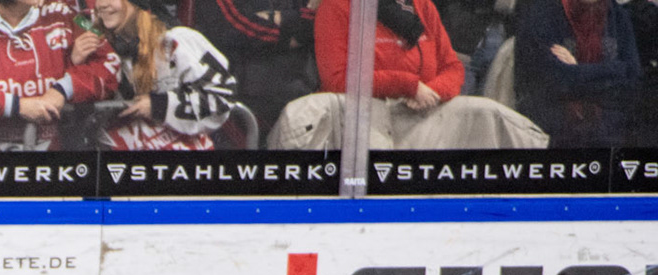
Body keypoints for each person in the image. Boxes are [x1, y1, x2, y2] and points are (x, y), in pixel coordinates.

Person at [269, 0, 547, 146]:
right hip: (362, 123)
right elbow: (338, 79)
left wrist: (434, 91)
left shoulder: (422, 6)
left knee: (495, 117)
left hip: (421, 114)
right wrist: (407, 85)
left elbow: (452, 68)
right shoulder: (338, 5)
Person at [0, 0, 120, 148]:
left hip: (53, 165)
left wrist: (63, 89)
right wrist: (18, 106)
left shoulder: (62, 13)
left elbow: (110, 63)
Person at [79, 0, 237, 150]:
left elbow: (222, 95)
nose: (103, 4)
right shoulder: (98, 48)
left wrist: (159, 105)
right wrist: (75, 60)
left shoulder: (174, 41)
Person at [512, 0, 642, 147]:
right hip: (552, 140)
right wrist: (615, 69)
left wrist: (577, 70)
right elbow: (556, 81)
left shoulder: (617, 15)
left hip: (610, 138)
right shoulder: (540, 14)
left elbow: (633, 80)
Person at [187, 0, 314, 136]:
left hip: (301, 83)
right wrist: (291, 28)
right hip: (242, 90)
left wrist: (272, 19)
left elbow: (313, 19)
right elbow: (232, 26)